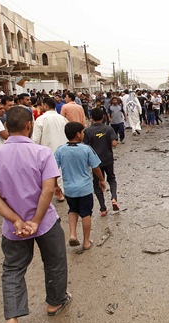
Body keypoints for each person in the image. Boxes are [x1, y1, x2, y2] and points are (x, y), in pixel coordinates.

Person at [0, 106, 71, 323]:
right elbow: (48, 189)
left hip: (13, 228)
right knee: (55, 260)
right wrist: (35, 221)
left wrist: (16, 220)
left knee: (12, 270)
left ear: (6, 127)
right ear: (29, 125)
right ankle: (55, 302)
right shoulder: (42, 153)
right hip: (45, 222)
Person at [54, 122, 106, 250]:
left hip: (69, 189)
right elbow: (95, 167)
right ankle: (86, 242)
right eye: (82, 132)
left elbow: (53, 169)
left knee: (72, 210)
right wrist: (101, 179)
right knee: (86, 213)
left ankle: (72, 234)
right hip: (84, 188)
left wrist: (56, 185)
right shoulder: (86, 149)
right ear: (78, 134)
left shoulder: (60, 150)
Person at [83, 108, 119, 216]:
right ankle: (114, 198)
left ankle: (103, 208)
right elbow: (114, 144)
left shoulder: (88, 131)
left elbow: (85, 146)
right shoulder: (108, 129)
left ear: (92, 118)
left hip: (95, 162)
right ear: (103, 117)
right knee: (111, 178)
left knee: (97, 183)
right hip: (108, 159)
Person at [32, 97, 69, 202]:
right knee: (62, 171)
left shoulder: (41, 119)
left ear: (46, 106)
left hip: (47, 150)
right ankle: (63, 191)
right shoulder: (63, 119)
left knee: (51, 173)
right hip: (63, 147)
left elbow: (35, 139)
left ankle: (58, 192)